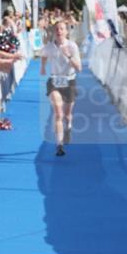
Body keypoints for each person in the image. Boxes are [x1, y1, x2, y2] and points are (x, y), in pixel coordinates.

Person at [40, 21, 81, 157]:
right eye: (57, 29)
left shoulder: (72, 46)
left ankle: (68, 127)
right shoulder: (50, 46)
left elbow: (79, 68)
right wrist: (42, 67)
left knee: (68, 115)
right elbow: (44, 55)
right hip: (54, 82)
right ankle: (59, 144)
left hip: (69, 81)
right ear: (54, 31)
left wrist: (68, 55)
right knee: (58, 114)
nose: (59, 31)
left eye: (62, 29)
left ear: (66, 32)